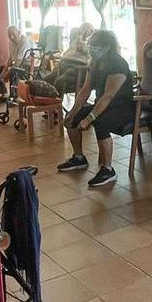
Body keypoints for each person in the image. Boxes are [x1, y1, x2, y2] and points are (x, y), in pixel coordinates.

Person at [57, 30, 135, 188]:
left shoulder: (118, 64)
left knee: (100, 123)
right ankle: (79, 158)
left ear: (107, 47)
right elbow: (85, 90)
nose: (92, 48)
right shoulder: (94, 62)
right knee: (74, 118)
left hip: (123, 108)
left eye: (96, 46)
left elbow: (108, 96)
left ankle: (108, 169)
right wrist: (72, 113)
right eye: (91, 45)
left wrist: (89, 118)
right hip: (104, 105)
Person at [0, 26, 32, 104]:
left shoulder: (24, 41)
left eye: (13, 34)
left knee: (13, 71)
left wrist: (7, 72)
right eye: (9, 35)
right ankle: (4, 95)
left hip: (26, 65)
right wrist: (3, 71)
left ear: (19, 32)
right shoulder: (11, 43)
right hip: (17, 64)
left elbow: (19, 60)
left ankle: (14, 97)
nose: (11, 37)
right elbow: (11, 58)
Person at [49, 23, 94, 94]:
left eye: (88, 29)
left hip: (76, 67)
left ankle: (56, 103)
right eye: (83, 28)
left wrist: (81, 37)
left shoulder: (91, 42)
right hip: (64, 64)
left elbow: (84, 49)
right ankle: (44, 102)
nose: (85, 31)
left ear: (91, 31)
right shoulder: (76, 40)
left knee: (59, 82)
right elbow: (68, 52)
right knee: (47, 80)